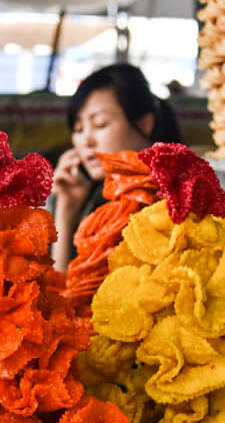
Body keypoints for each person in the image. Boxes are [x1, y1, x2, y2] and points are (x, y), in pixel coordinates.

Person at [51, 63, 182, 271]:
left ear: (144, 123)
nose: (86, 141)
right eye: (78, 129)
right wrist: (66, 212)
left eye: (100, 124)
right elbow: (62, 292)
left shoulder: (175, 198)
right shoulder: (89, 196)